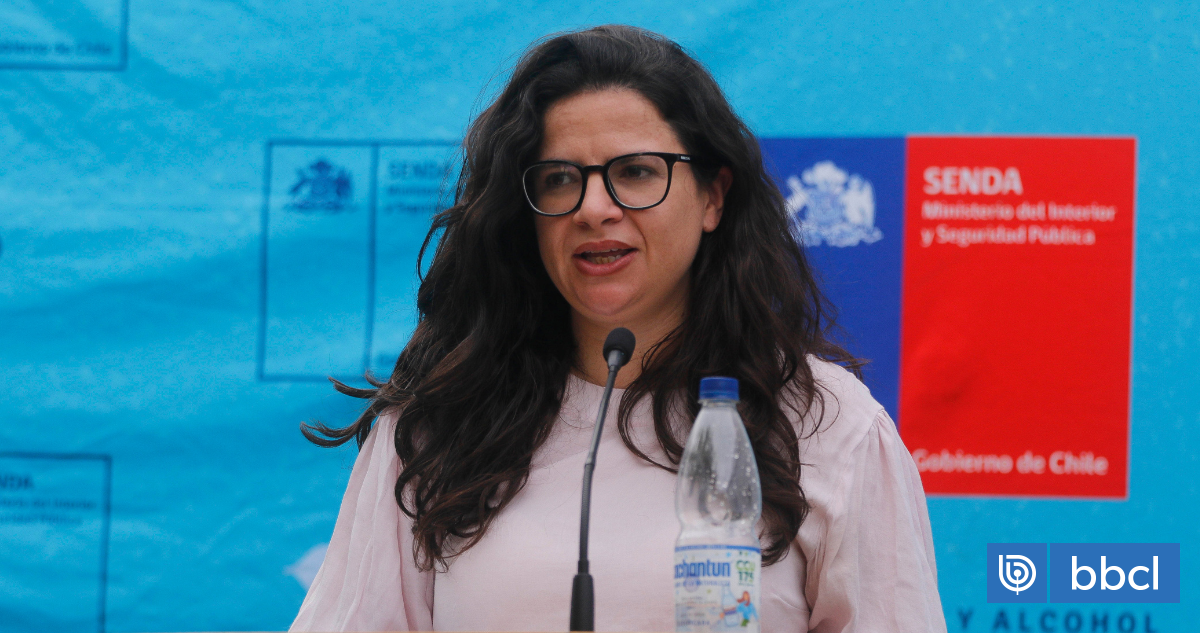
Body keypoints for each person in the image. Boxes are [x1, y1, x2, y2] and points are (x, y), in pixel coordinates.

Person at [291, 25, 945, 633]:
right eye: (559, 179)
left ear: (713, 196)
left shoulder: (826, 426)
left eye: (635, 172)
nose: (595, 208)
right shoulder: (438, 423)